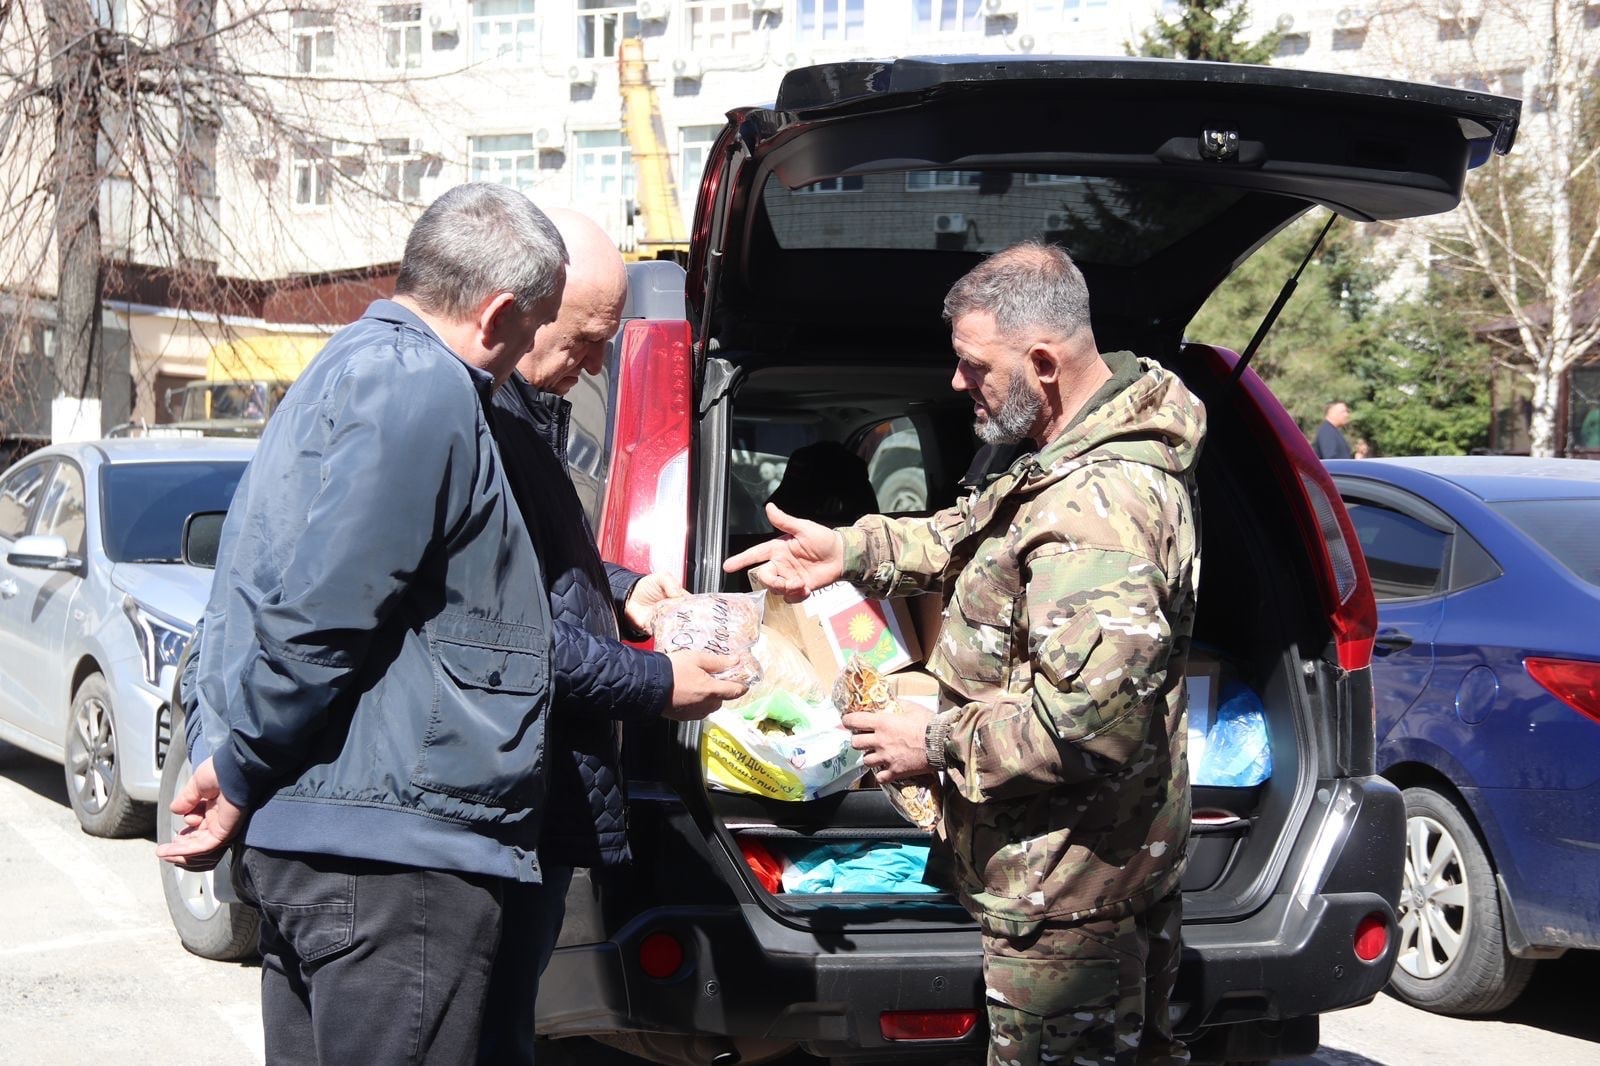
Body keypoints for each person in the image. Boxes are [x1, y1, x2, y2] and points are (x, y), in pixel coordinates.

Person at [155, 183, 743, 1065]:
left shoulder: (346, 366)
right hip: (395, 866)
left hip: (339, 844)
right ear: (501, 312)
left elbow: (281, 590)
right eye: (547, 327)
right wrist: (236, 766)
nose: (570, 365)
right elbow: (325, 613)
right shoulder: (427, 387)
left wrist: (228, 753)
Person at [726, 241, 1205, 1065]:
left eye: (974, 365)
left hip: (1071, 893)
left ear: (1044, 364)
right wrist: (848, 549)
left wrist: (932, 742)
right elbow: (970, 532)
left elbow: (1090, 728)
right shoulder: (1064, 460)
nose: (956, 382)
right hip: (1071, 874)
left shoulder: (1098, 508)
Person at [478, 208, 728, 1063]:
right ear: (525, 312)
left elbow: (548, 559)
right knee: (493, 1026)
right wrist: (661, 684)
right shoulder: (483, 424)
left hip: (539, 795)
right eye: (587, 341)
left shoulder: (529, 415)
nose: (594, 366)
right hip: (509, 794)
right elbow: (521, 635)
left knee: (507, 1018)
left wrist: (623, 590)